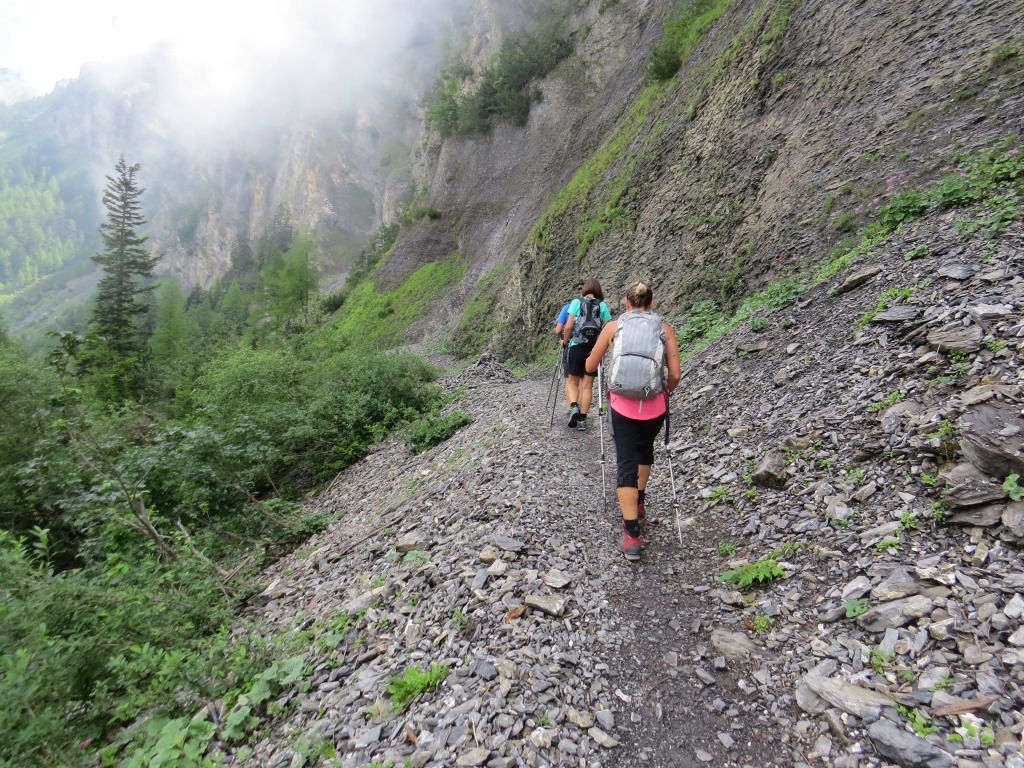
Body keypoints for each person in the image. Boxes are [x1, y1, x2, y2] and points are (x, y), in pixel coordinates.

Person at [585, 281, 681, 561]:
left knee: (626, 461)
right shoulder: (664, 329)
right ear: (652, 303)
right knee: (644, 450)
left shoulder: (613, 327)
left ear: (626, 304)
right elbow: (674, 374)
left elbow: (591, 366)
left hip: (622, 406)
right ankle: (639, 501)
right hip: (654, 407)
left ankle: (632, 535)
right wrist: (663, 391)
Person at [562, 278, 612, 431]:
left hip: (577, 346)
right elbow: (608, 328)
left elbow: (569, 325)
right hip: (593, 350)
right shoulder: (602, 305)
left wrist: (565, 341)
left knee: (572, 381)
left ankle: (573, 407)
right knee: (587, 386)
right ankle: (583, 420)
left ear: (584, 289)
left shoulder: (576, 302)